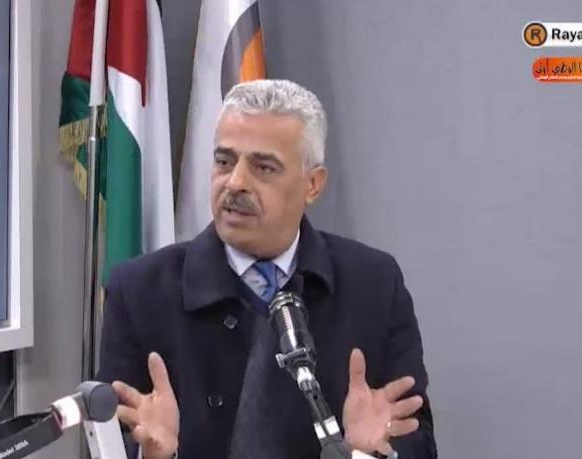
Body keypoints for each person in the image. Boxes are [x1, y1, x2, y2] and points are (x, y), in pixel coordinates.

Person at [97, 79, 437, 459]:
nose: (236, 182)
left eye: (264, 167)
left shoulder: (374, 284)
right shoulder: (139, 291)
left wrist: (365, 455)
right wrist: (154, 456)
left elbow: (416, 440)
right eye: (224, 162)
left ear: (312, 184)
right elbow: (111, 441)